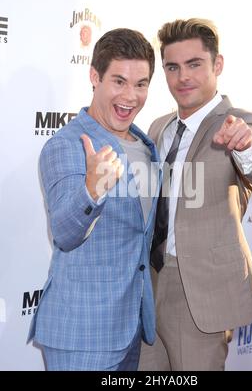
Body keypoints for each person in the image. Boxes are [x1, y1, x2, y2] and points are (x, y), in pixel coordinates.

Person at [138, 18, 252, 371]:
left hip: (200, 294)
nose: (183, 76)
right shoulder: (159, 127)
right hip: (148, 284)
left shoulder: (242, 123)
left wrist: (245, 145)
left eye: (194, 64)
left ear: (217, 64)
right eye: (173, 67)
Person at [28, 28, 161, 371]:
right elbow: (64, 232)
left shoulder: (146, 145)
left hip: (131, 328)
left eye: (141, 84)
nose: (130, 96)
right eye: (118, 81)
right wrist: (92, 189)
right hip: (82, 335)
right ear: (94, 76)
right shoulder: (67, 146)